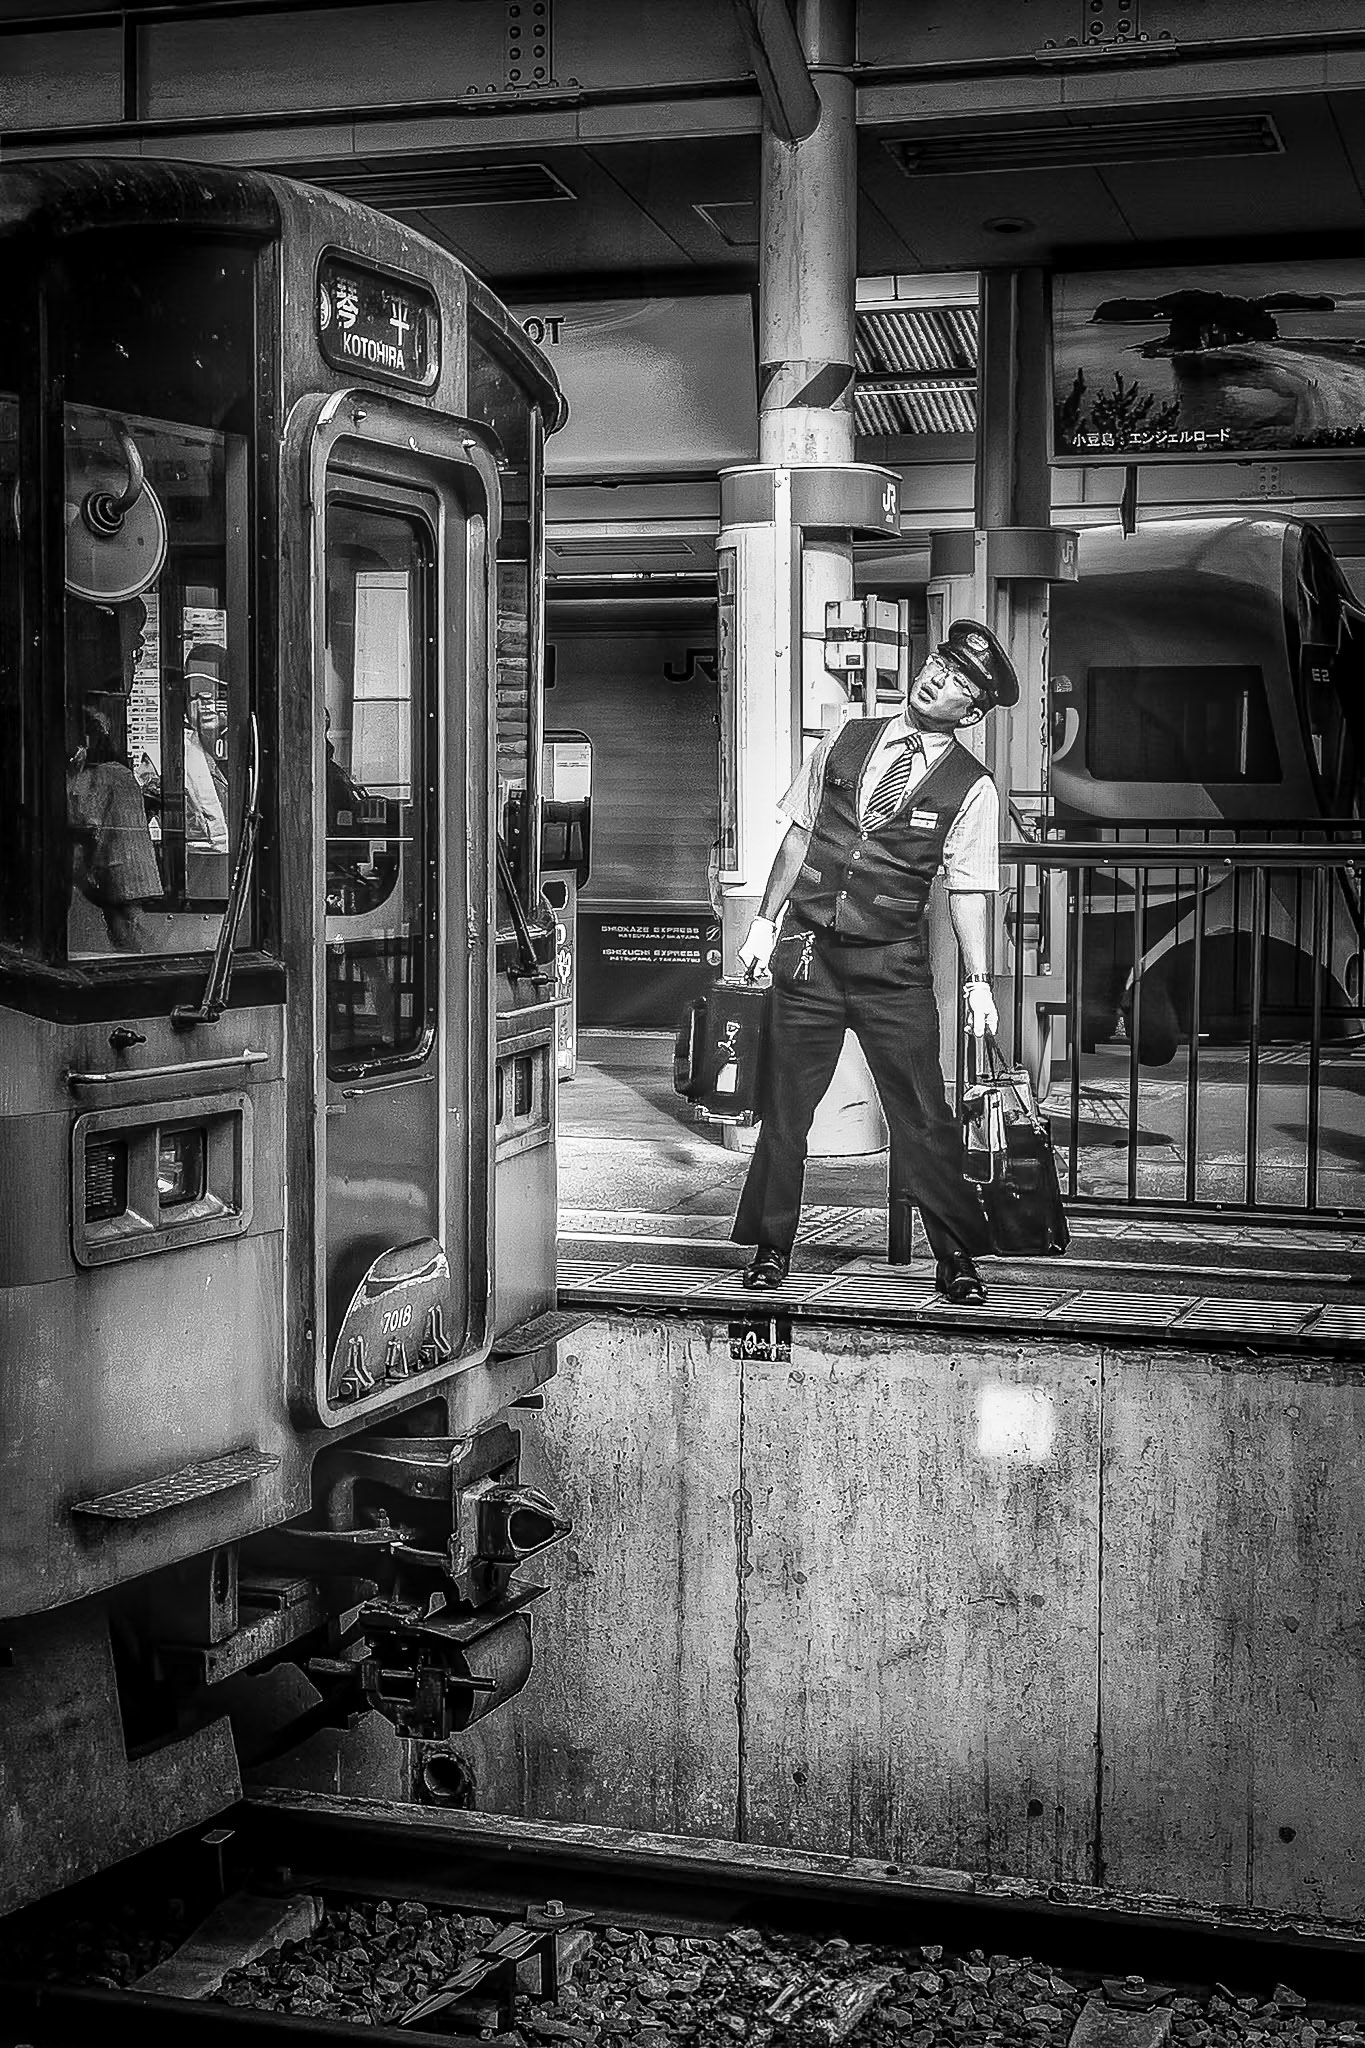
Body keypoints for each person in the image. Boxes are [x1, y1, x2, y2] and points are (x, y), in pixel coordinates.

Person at [731, 618, 1020, 1305]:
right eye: (938, 664)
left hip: (892, 968)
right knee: (785, 1110)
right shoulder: (844, 737)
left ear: (971, 712)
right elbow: (799, 837)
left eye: (956, 680)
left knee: (922, 1114)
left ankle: (954, 1255)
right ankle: (772, 1248)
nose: (935, 679)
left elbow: (968, 890)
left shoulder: (971, 786)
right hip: (809, 956)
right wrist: (764, 924)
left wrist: (979, 981)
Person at [182, 643, 230, 853]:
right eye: (195, 692)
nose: (205, 699)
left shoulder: (252, 751)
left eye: (215, 691)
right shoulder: (172, 760)